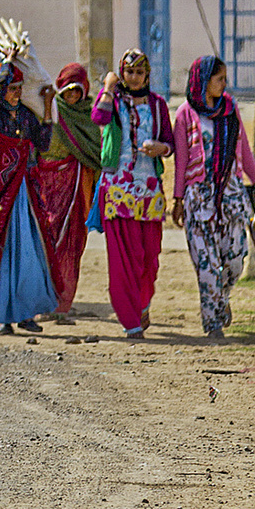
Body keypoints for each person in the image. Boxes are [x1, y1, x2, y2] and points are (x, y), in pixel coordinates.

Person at [0, 61, 59, 335]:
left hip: (25, 195)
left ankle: (27, 314)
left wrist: (47, 108)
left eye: (20, 88)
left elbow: (42, 142)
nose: (17, 94)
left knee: (29, 254)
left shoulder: (26, 116)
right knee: (3, 255)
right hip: (0, 195)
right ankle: (3, 317)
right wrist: (8, 61)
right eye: (11, 89)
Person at [173, 55, 255, 340]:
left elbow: (244, 148)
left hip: (232, 196)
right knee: (207, 265)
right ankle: (212, 322)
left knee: (236, 258)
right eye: (219, 79)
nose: (225, 84)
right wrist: (177, 199)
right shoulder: (185, 113)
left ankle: (221, 298)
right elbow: (182, 161)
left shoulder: (230, 109)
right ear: (203, 81)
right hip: (198, 200)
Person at [91, 48, 174, 338]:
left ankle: (142, 303)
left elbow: (170, 144)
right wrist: (107, 88)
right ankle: (131, 323)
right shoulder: (114, 103)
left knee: (149, 257)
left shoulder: (157, 104)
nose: (134, 77)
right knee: (123, 259)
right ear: (122, 73)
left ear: (147, 75)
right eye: (129, 72)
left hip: (150, 189)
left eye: (139, 72)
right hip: (117, 189)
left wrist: (160, 149)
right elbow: (98, 118)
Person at [35, 63, 102, 323]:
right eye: (68, 91)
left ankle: (63, 302)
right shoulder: (50, 111)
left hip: (76, 190)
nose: (72, 96)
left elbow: (95, 153)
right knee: (45, 241)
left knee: (71, 245)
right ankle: (42, 299)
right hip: (45, 188)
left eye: (77, 91)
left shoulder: (90, 117)